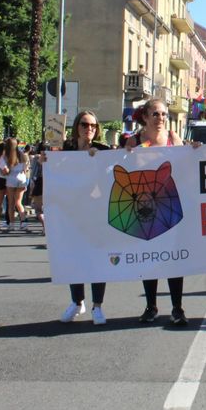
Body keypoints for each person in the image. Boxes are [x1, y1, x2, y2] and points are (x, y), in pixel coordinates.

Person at [126, 98, 192, 326]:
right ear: (145, 117)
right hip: (143, 209)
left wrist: (195, 151)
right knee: (149, 258)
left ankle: (177, 307)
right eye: (156, 114)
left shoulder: (174, 139)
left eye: (164, 114)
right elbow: (115, 166)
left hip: (169, 206)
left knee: (174, 259)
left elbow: (188, 165)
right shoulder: (133, 141)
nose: (161, 118)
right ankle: (151, 305)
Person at [59, 112, 111, 325]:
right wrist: (45, 160)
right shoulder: (65, 149)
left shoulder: (104, 151)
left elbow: (113, 176)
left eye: (92, 125)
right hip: (70, 211)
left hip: (96, 211)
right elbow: (55, 172)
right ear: (76, 127)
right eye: (84, 124)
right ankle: (76, 301)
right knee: (74, 257)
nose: (89, 128)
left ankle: (97, 306)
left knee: (96, 258)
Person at [1, 138, 30, 232]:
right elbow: (26, 168)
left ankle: (12, 224)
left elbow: (5, 170)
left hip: (11, 178)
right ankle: (24, 221)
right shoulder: (22, 154)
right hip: (21, 178)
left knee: (11, 203)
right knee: (19, 202)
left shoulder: (6, 156)